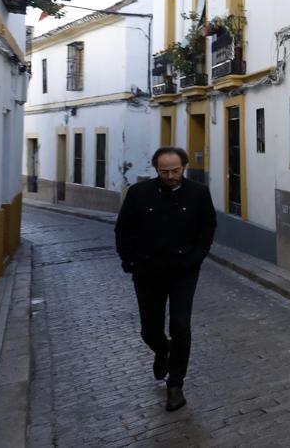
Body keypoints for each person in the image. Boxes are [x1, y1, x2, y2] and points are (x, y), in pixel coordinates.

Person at [115, 146, 217, 412]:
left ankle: (176, 385)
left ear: (183, 167)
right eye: (164, 171)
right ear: (156, 169)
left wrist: (195, 259)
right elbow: (123, 229)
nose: (170, 176)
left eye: (175, 171)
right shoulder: (138, 194)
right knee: (150, 330)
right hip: (147, 273)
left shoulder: (198, 193)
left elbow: (207, 228)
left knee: (181, 326)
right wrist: (129, 261)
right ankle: (162, 350)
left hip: (183, 272)